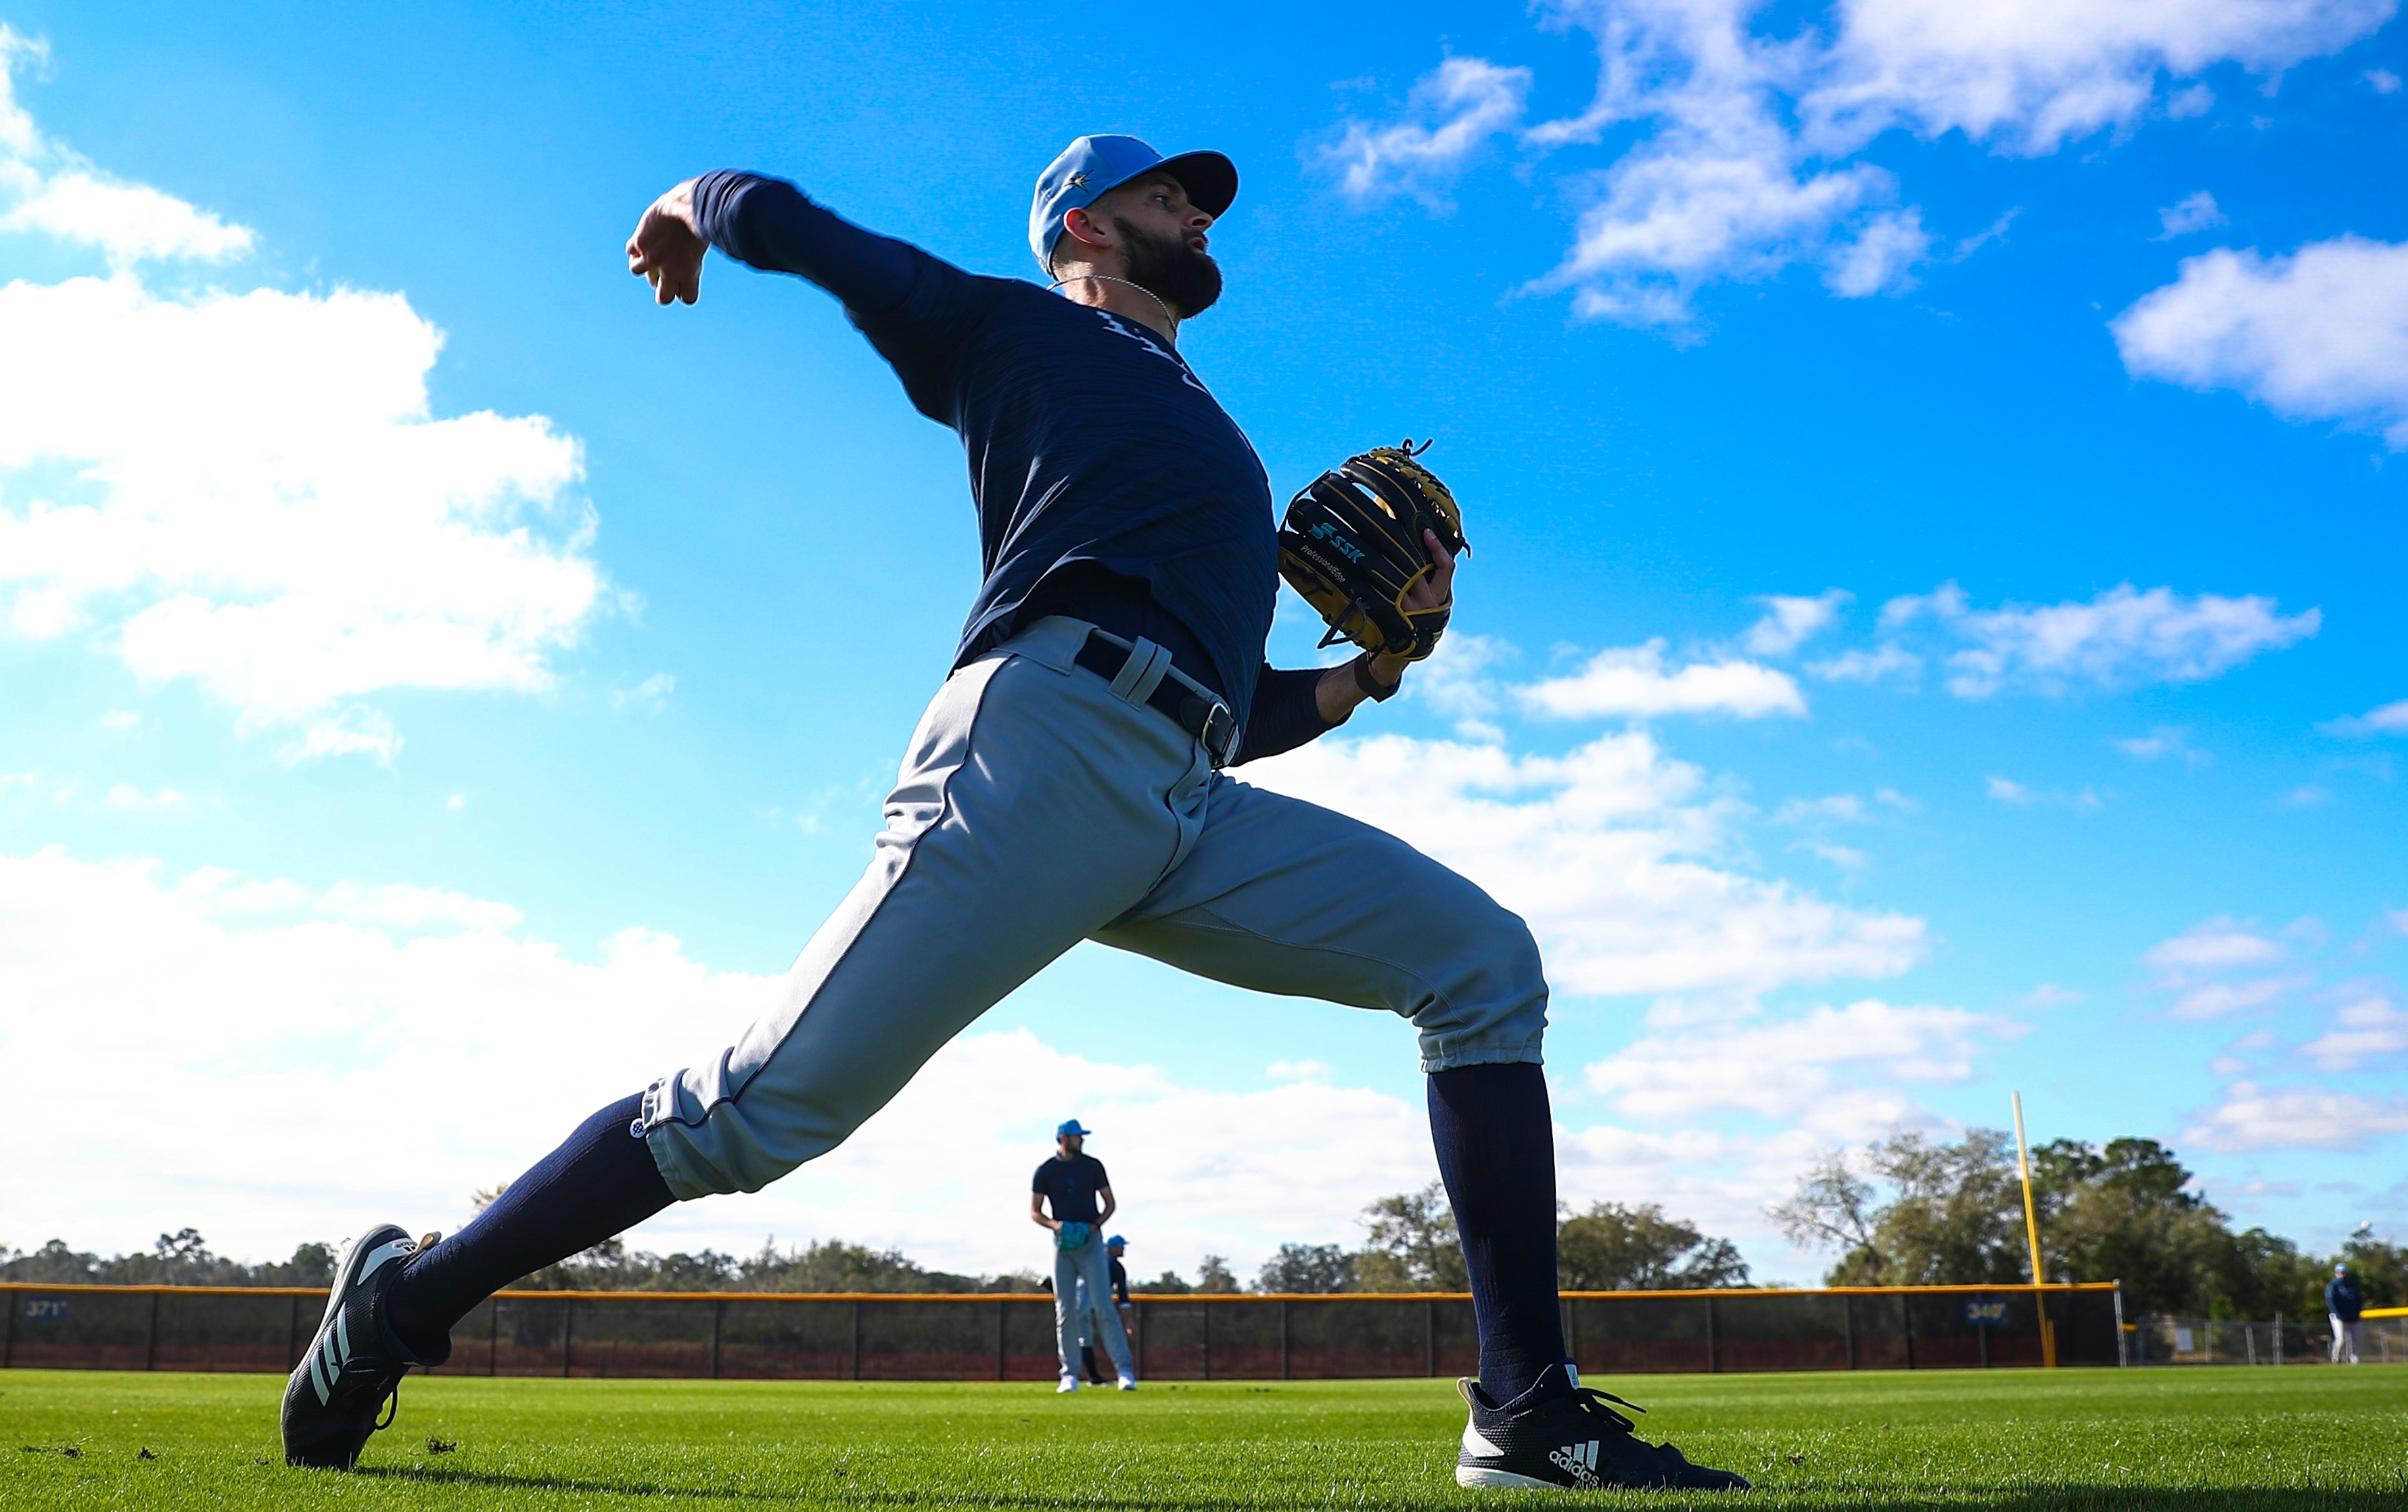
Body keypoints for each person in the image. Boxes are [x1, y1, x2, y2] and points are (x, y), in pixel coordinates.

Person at [275, 133, 1747, 1492]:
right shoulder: (1021, 331)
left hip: (1180, 789)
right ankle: (406, 1297)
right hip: (1038, 747)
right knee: (754, 1114)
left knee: (1480, 962)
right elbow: (797, 224)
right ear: (1088, 226)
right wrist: (688, 203)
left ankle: (1524, 1407)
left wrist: (1364, 672)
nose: (1199, 214)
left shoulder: (1214, 436)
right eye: (1174, 195)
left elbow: (1232, 701)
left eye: (1202, 199)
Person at [1034, 1120, 1132, 1392]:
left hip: (1090, 1241)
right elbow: (1035, 1211)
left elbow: (1110, 1203)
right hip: (1062, 1243)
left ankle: (1125, 1371)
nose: (1082, 1141)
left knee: (1103, 1306)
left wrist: (1094, 1225)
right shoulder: (1046, 1170)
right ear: (1064, 1138)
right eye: (1078, 1137)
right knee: (1065, 1310)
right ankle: (1070, 1375)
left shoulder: (1093, 1166)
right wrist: (1056, 1225)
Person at [1080, 1234, 1136, 1385]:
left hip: (1076, 1298)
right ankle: (1121, 1372)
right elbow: (1123, 1298)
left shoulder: (1089, 1258)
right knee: (1102, 1332)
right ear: (1112, 1248)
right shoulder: (1115, 1266)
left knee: (1084, 1338)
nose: (1123, 1249)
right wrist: (1128, 1320)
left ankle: (1093, 1377)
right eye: (1120, 1246)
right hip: (1093, 1300)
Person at [2327, 1262, 2365, 1365]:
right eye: (2340, 1273)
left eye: (2344, 1273)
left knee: (2356, 1340)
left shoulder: (2353, 1285)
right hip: (2338, 1317)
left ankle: (2355, 1360)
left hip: (2353, 1316)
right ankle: (2336, 1358)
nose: (2342, 1275)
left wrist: (2358, 1312)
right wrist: (2338, 1314)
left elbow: (2359, 1299)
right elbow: (2331, 1300)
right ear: (2336, 1274)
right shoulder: (2333, 1286)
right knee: (2341, 1340)